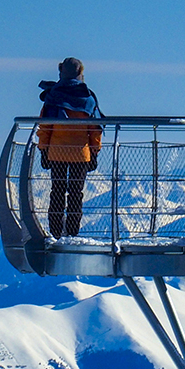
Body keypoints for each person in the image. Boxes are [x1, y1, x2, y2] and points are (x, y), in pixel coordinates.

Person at [37, 58, 103, 238]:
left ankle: (56, 231)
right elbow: (95, 128)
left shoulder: (53, 97)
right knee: (76, 193)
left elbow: (45, 126)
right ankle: (73, 231)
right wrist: (94, 151)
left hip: (57, 152)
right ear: (80, 73)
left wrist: (43, 149)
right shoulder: (88, 98)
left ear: (61, 73)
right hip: (81, 153)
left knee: (57, 191)